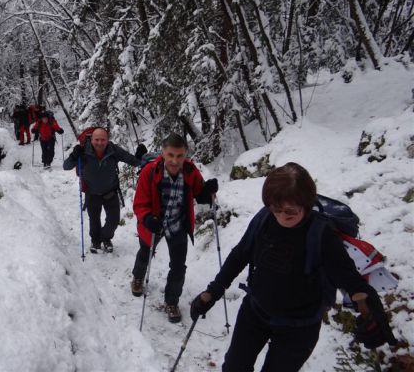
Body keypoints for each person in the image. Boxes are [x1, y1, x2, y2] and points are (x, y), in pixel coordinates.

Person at [189, 162, 396, 372]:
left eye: (289, 212)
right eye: (276, 209)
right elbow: (239, 255)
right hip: (255, 313)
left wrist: (373, 313)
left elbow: (349, 278)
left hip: (299, 330)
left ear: (306, 205)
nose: (281, 217)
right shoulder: (264, 219)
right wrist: (212, 292)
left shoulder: (321, 235)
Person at [131, 133, 218, 323]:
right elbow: (139, 203)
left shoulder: (189, 170)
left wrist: (208, 191)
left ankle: (172, 301)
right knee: (145, 252)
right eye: (170, 155)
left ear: (185, 154)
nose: (174, 160)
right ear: (163, 153)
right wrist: (146, 219)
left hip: (178, 224)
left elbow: (199, 193)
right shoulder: (150, 172)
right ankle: (138, 276)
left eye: (179, 156)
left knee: (178, 266)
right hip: (154, 223)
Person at [63, 127, 147, 253]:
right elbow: (66, 166)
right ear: (91, 140)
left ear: (108, 140)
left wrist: (141, 158)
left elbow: (131, 160)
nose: (100, 143)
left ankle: (106, 238)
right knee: (94, 219)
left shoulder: (113, 150)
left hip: (110, 191)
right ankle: (95, 241)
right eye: (97, 140)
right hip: (92, 192)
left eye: (103, 140)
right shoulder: (83, 150)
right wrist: (74, 155)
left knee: (113, 220)